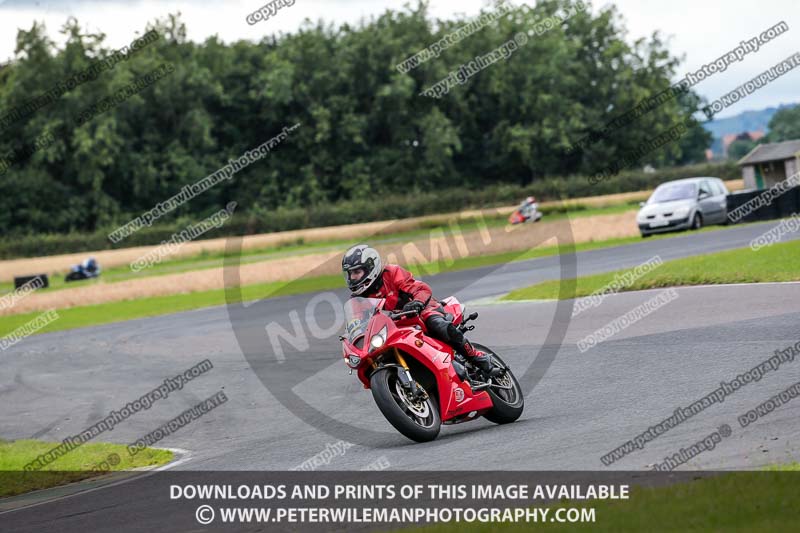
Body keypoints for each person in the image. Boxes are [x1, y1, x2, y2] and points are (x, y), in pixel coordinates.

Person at [341, 244, 500, 377]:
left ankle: (477, 357)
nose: (353, 278)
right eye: (350, 274)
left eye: (357, 272)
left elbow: (420, 289)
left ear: (370, 267)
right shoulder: (357, 300)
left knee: (436, 323)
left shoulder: (391, 273)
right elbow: (358, 324)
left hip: (422, 311)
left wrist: (417, 303)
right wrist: (353, 335)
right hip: (395, 329)